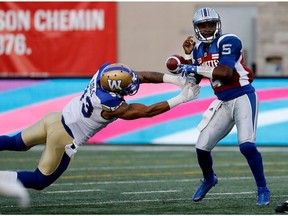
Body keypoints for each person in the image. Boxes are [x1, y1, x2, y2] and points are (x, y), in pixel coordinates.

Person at [0, 63, 200, 193]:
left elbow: (141, 75)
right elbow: (146, 112)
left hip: (55, 119)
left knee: (16, 142)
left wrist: (176, 80)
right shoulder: (109, 104)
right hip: (64, 137)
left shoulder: (104, 73)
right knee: (39, 180)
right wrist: (181, 98)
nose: (131, 88)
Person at [177, 7, 270, 205]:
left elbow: (226, 73)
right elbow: (195, 77)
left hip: (243, 97)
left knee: (246, 146)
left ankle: (263, 188)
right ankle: (210, 179)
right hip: (222, 102)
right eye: (203, 25)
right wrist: (185, 60)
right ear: (197, 28)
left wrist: (191, 65)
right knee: (201, 147)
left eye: (211, 24)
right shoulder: (198, 50)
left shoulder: (229, 40)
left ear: (217, 25)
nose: (208, 29)